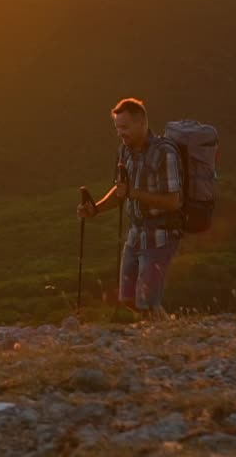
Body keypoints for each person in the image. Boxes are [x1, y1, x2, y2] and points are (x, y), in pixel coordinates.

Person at [76, 97, 183, 321]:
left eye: (124, 127)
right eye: (117, 128)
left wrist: (134, 193)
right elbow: (120, 191)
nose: (120, 133)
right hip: (136, 235)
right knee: (128, 299)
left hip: (161, 235)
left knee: (146, 300)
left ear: (142, 124)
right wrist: (95, 209)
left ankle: (162, 338)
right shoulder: (124, 152)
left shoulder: (165, 153)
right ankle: (167, 329)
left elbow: (174, 201)